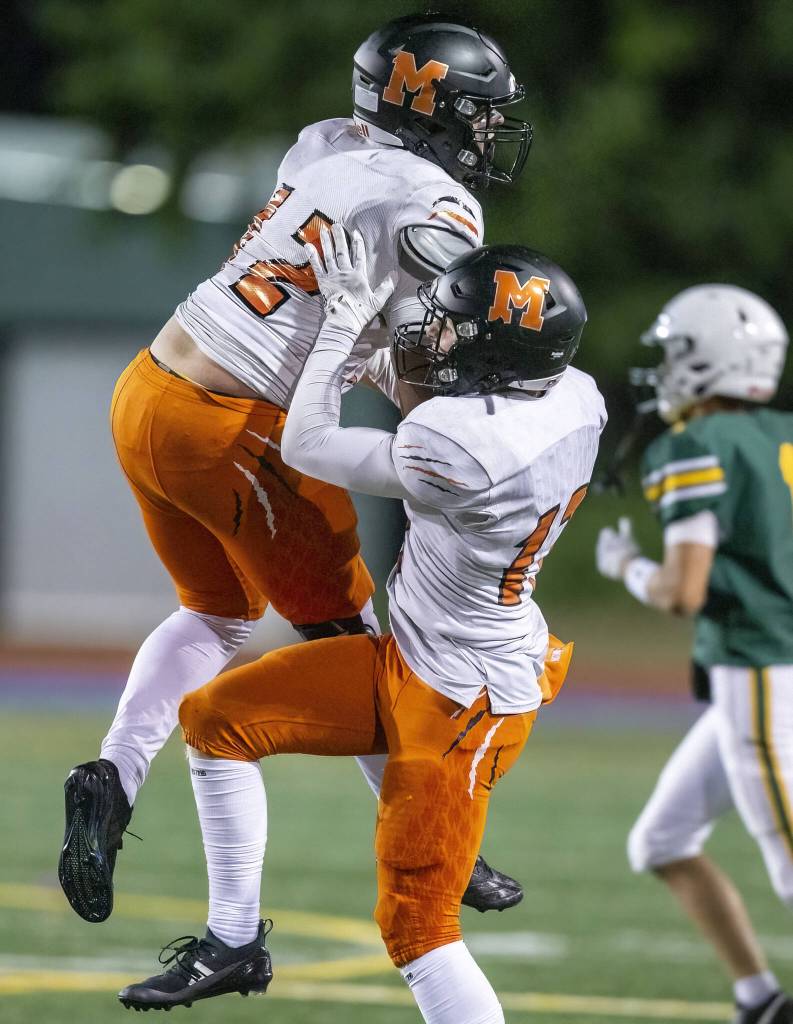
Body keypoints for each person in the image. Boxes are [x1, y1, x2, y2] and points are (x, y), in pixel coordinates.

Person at [58, 13, 535, 924]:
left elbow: (365, 329)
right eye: (476, 114)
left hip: (150, 384)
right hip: (230, 423)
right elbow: (420, 361)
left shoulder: (322, 148)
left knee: (219, 610)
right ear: (432, 111)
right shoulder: (440, 207)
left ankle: (111, 774)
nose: (486, 135)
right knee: (353, 641)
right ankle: (438, 834)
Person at [116, 231, 605, 1020]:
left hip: (464, 700)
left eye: (453, 327)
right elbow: (438, 397)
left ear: (494, 359)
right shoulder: (574, 396)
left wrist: (343, 321)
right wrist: (382, 347)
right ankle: (233, 942)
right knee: (215, 718)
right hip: (421, 656)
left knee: (419, 930)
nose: (434, 334)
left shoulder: (460, 448)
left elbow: (308, 443)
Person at [596, 284, 793, 1024]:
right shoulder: (781, 436)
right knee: (662, 839)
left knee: (789, 868)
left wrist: (623, 567)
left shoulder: (695, 447)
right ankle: (759, 1002)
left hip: (760, 671)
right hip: (770, 666)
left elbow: (682, 590)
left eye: (678, 352)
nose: (666, 368)